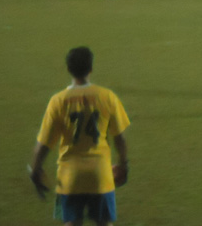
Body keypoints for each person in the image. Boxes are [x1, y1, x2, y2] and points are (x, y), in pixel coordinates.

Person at [29, 46, 130, 226]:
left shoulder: (58, 101)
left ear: (68, 69)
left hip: (69, 178)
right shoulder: (107, 97)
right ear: (91, 68)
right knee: (104, 223)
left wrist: (35, 170)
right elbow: (120, 138)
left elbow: (42, 145)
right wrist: (123, 164)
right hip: (100, 175)